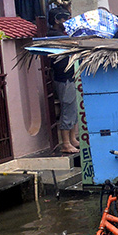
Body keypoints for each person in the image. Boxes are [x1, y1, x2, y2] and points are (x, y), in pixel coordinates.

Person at [48, 10, 79, 154]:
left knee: (74, 109)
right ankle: (65, 143)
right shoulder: (54, 36)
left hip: (71, 76)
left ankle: (73, 139)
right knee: (67, 109)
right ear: (57, 20)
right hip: (63, 77)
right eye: (65, 19)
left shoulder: (63, 36)